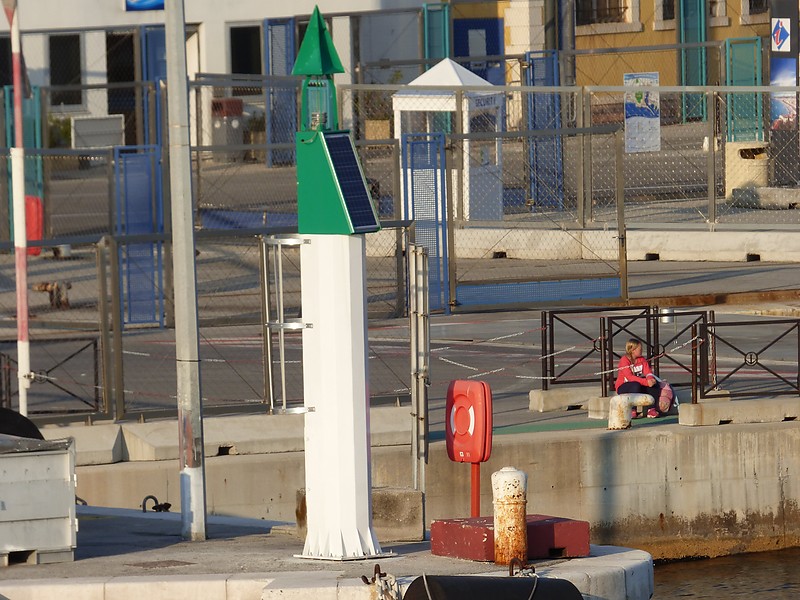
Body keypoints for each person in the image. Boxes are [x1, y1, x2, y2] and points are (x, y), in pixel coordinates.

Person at [614, 338, 662, 418]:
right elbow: (630, 377)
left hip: (638, 383)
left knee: (655, 384)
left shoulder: (642, 359)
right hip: (623, 386)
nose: (641, 350)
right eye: (640, 349)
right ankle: (633, 410)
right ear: (633, 350)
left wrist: (650, 379)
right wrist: (646, 382)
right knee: (635, 385)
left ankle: (651, 409)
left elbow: (648, 372)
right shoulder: (624, 360)